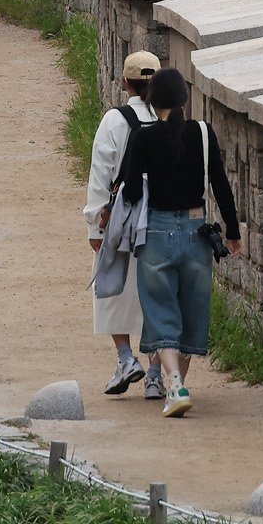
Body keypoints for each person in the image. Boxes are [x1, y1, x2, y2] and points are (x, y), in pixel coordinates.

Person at [115, 67, 240, 417]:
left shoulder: (142, 137)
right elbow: (220, 183)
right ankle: (178, 387)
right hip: (197, 231)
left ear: (151, 102)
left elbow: (133, 191)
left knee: (159, 309)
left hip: (156, 232)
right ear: (185, 99)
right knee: (191, 312)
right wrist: (233, 230)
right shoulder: (203, 132)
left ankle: (174, 384)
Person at [86, 50, 165, 400]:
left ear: (125, 83)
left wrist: (95, 223)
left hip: (123, 215)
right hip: (163, 216)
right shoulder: (171, 119)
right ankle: (156, 373)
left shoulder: (115, 121)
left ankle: (124, 358)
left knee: (113, 284)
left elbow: (101, 173)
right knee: (159, 294)